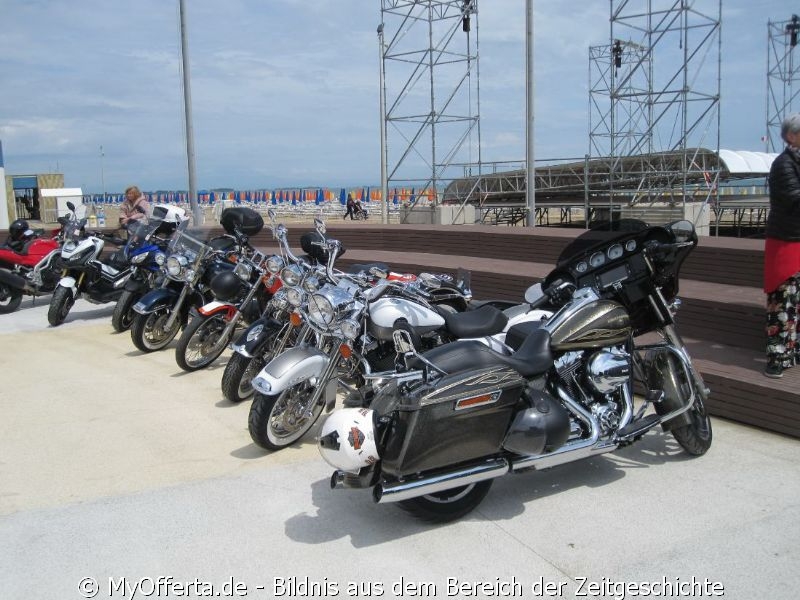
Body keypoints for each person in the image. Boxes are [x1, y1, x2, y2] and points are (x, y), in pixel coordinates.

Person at [763, 113, 800, 378]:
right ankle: (776, 357)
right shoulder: (783, 164)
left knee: (795, 304)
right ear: (791, 136)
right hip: (785, 243)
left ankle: (792, 352)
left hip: (796, 240)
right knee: (781, 302)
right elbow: (793, 198)